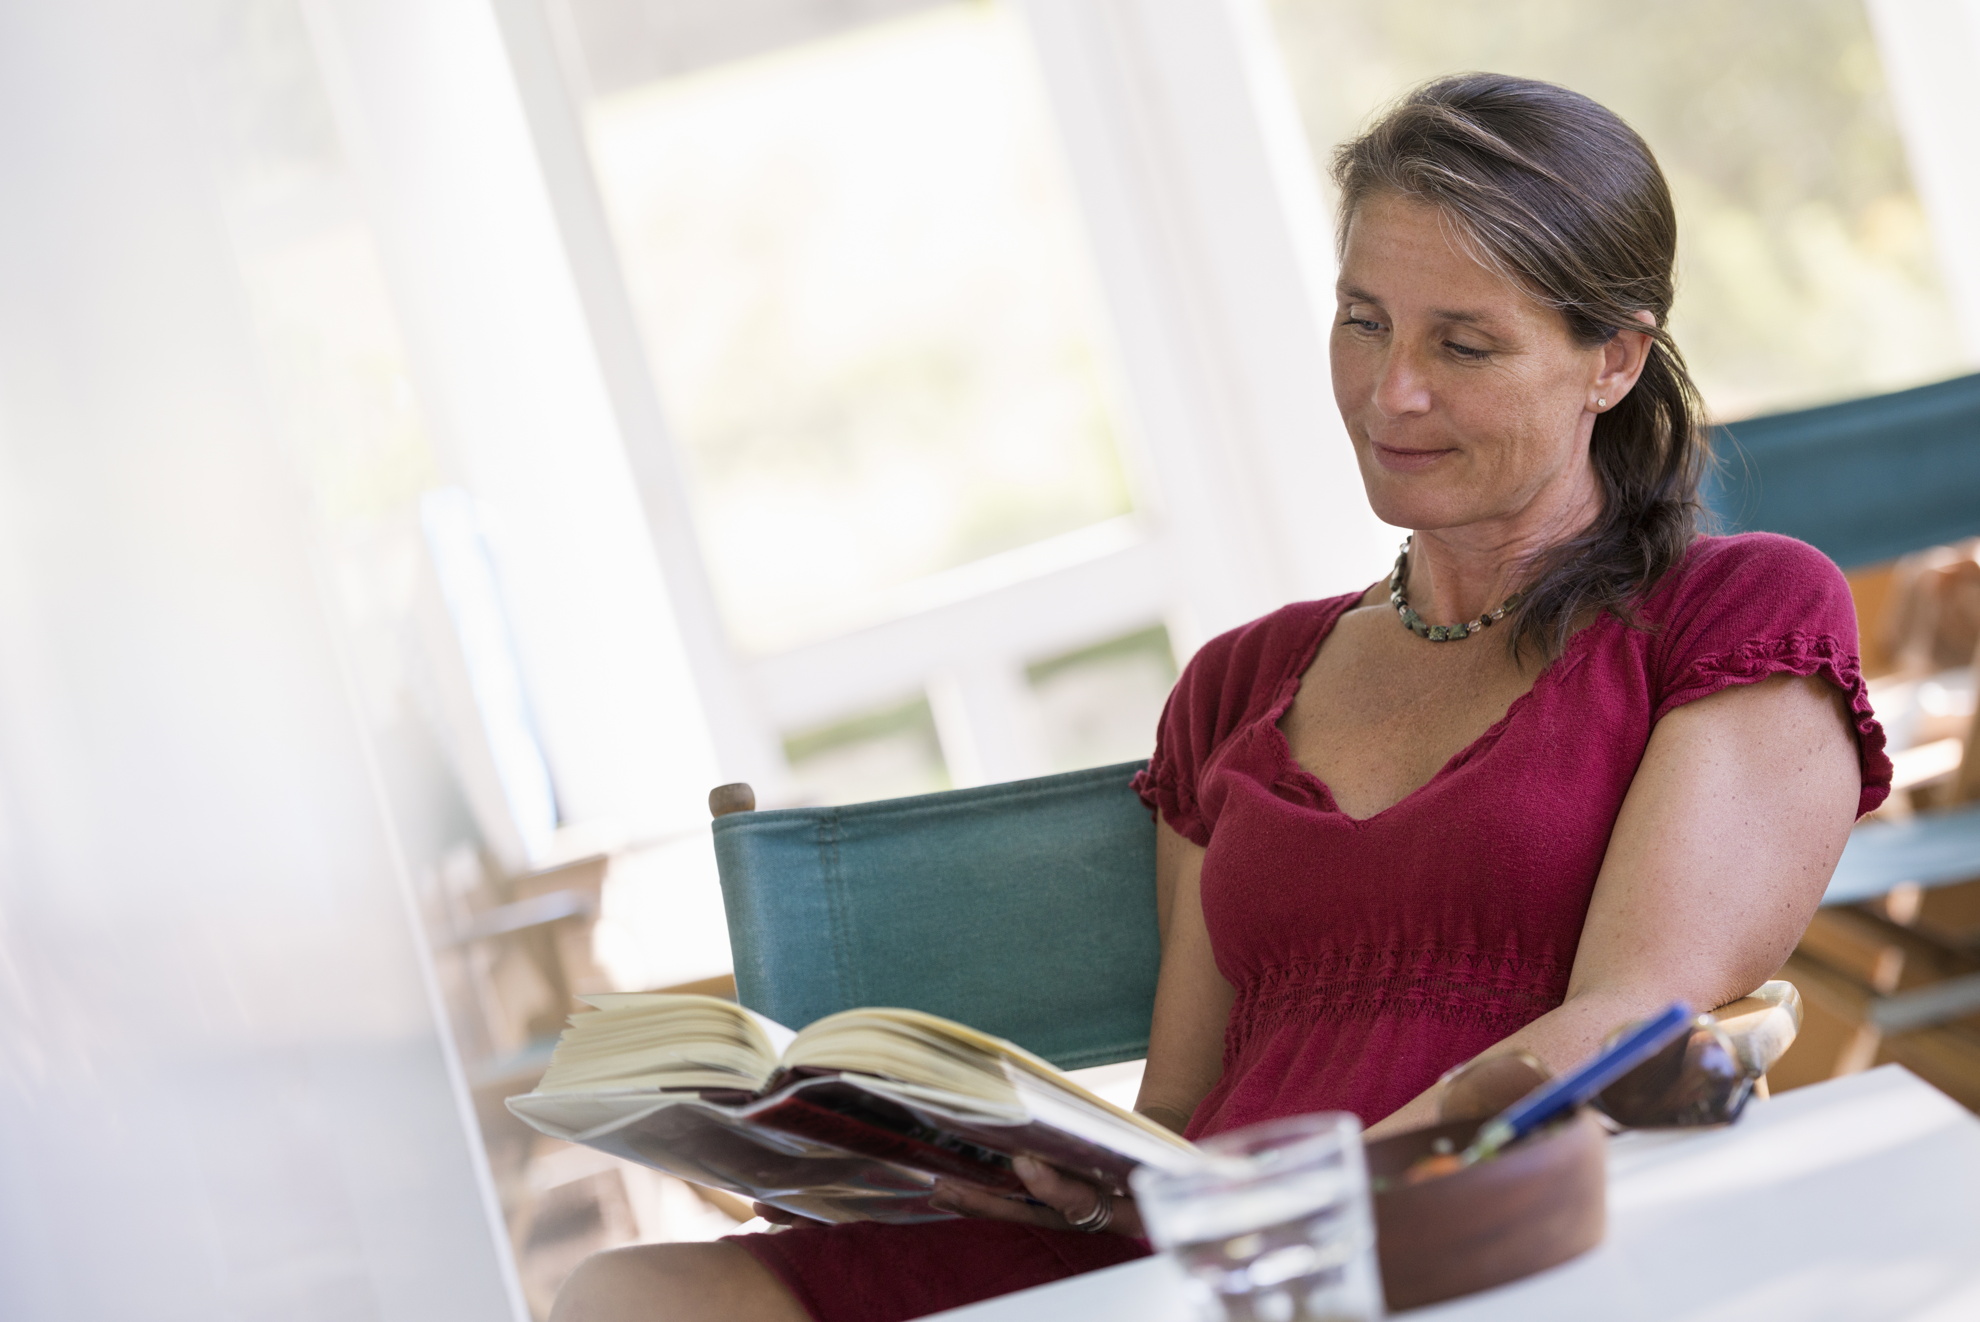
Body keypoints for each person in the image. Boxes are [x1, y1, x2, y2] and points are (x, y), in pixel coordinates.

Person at [551, 72, 1890, 1322]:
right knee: (633, 1291)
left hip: (1479, 1239)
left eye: (1464, 344)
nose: (1392, 390)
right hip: (1204, 1253)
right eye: (1362, 320)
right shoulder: (1241, 682)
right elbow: (1184, 1100)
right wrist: (1083, 1171)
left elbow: (1627, 1025)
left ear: (1615, 359)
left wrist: (1295, 1209)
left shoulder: (1734, 613)